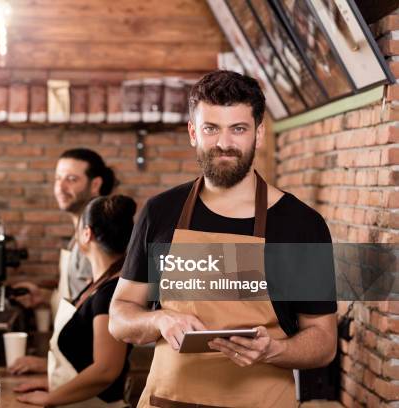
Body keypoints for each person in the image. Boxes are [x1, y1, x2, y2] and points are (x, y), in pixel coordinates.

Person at [108, 70, 337, 407]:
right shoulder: (161, 212)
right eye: (211, 128)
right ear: (193, 132)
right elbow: (119, 315)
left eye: (238, 129)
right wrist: (159, 318)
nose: (224, 144)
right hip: (169, 401)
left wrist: (276, 350)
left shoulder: (301, 226)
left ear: (258, 134)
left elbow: (324, 340)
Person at [15, 195, 136, 407]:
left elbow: (106, 369)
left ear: (87, 234)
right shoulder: (96, 286)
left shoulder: (109, 294)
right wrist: (53, 383)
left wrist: (51, 397)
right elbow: (84, 359)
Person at [9, 148, 118, 375]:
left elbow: (99, 315)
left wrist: (48, 365)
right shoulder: (78, 235)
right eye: (58, 178)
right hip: (70, 369)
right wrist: (45, 296)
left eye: (71, 179)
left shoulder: (97, 240)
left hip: (83, 371)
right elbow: (79, 296)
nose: (60, 186)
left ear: (95, 184)